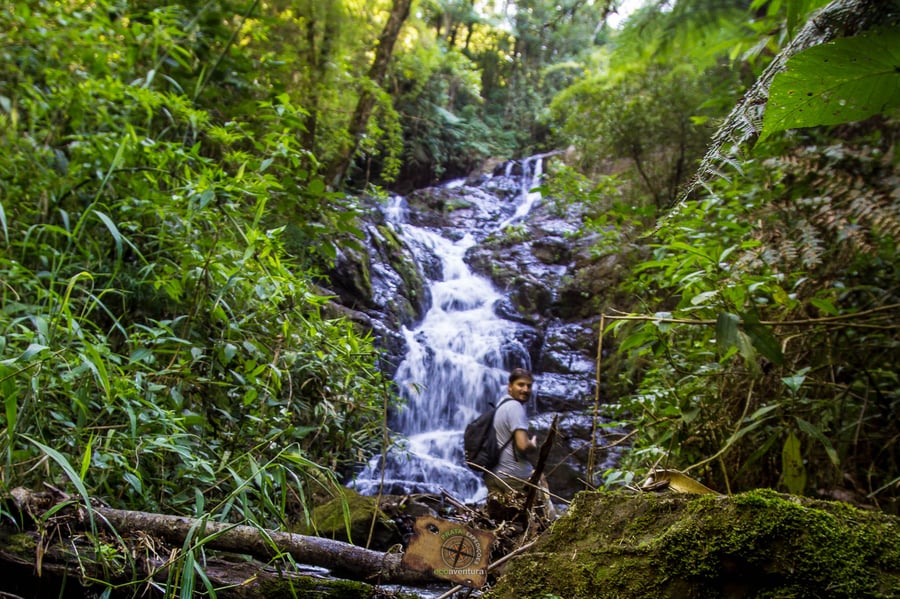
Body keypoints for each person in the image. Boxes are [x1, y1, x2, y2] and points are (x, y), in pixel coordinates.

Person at [485, 368, 557, 518]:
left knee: (503, 520)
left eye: (529, 386)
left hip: (494, 475)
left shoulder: (501, 406)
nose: (525, 389)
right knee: (536, 518)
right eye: (521, 385)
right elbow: (522, 445)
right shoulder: (515, 407)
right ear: (509, 386)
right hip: (514, 476)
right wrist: (532, 444)